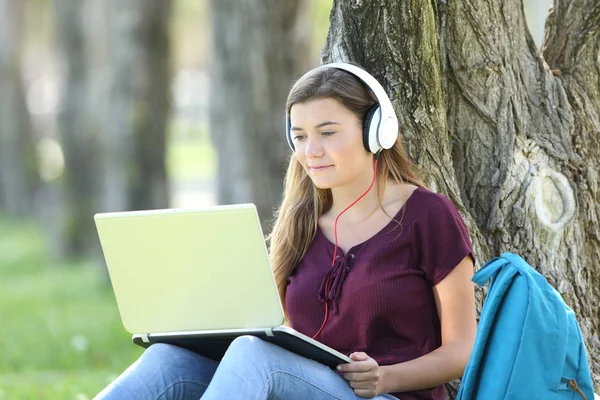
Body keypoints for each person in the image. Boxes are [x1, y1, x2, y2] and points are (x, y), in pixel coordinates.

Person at [96, 63, 477, 400]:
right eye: (300, 135)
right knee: (169, 359)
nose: (311, 150)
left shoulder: (427, 215)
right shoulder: (302, 222)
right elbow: (283, 335)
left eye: (328, 132)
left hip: (386, 396)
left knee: (255, 356)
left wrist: (384, 377)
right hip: (303, 387)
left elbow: (461, 351)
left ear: (376, 130)